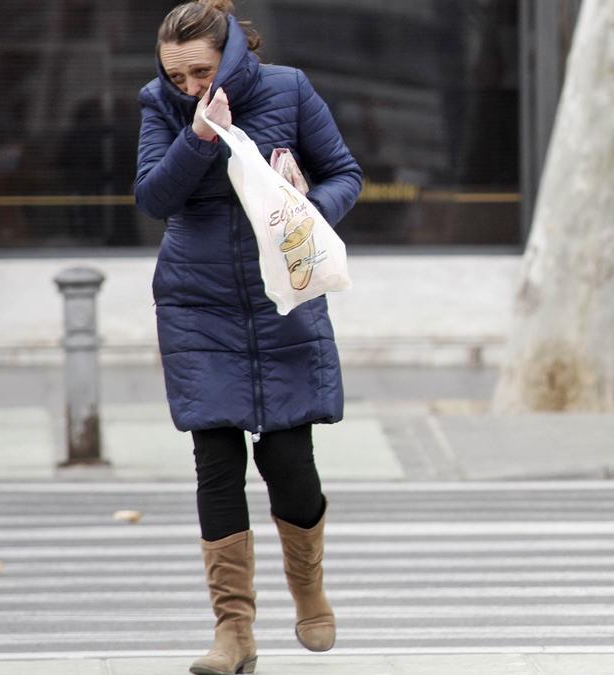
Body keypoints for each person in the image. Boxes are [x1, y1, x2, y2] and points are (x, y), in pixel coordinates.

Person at [134, 2, 362, 673]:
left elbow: (345, 173)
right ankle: (234, 630)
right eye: (175, 75)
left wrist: (306, 205)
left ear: (230, 56)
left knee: (290, 462)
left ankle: (308, 583)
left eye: (199, 73)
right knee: (216, 462)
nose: (187, 86)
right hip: (196, 305)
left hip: (282, 300)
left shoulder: (289, 90)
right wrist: (198, 133)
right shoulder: (161, 106)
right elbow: (153, 196)